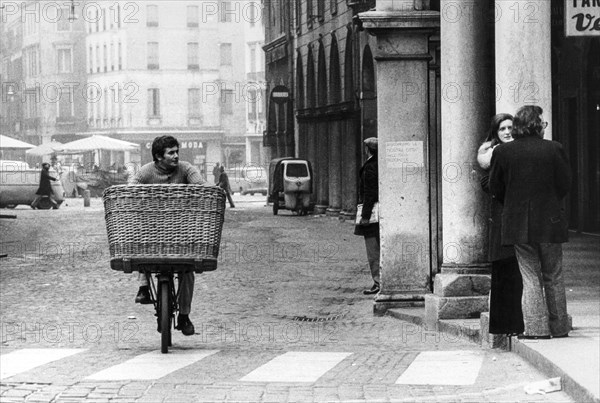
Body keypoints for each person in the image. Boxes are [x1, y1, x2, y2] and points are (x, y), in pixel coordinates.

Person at [489, 105, 571, 339]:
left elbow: (496, 188)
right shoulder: (554, 149)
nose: (544, 127)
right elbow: (565, 184)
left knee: (530, 276)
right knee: (553, 275)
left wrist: (515, 203)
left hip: (518, 223)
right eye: (543, 124)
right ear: (536, 125)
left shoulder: (503, 153)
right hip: (550, 221)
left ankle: (536, 329)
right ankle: (559, 327)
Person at [129, 135, 204, 336]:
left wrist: (195, 188)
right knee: (140, 240)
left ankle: (184, 315)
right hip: (153, 229)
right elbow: (132, 186)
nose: (176, 156)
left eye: (176, 151)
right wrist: (143, 196)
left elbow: (198, 182)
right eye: (170, 153)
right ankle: (144, 286)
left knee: (188, 269)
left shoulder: (185, 168)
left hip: (181, 230)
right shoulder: (146, 171)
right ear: (158, 157)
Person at [478, 113, 524, 336]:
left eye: (510, 128)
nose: (507, 132)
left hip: (517, 220)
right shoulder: (492, 155)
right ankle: (503, 325)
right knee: (503, 272)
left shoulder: (518, 153)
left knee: (517, 272)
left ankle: (515, 323)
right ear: (495, 133)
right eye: (502, 129)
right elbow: (489, 184)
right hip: (500, 220)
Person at [354, 137, 380, 295]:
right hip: (378, 212)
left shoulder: (370, 166)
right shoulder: (378, 164)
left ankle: (378, 282)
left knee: (373, 249)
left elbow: (369, 193)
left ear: (368, 150)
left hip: (372, 214)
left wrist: (365, 216)